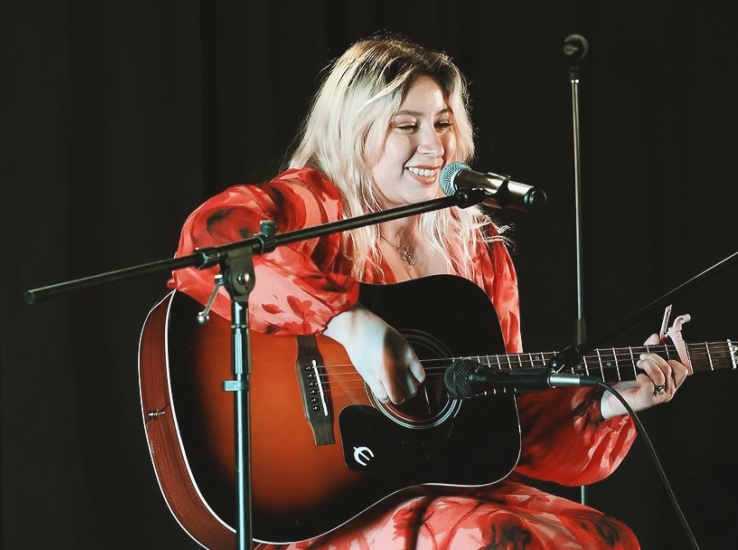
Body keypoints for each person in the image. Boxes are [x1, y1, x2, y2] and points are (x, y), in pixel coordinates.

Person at [169, 33, 691, 550]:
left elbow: (501, 413)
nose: (434, 147)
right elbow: (212, 235)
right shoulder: (316, 205)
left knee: (606, 539)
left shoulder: (478, 247)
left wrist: (611, 403)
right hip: (343, 501)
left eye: (442, 124)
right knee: (494, 542)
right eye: (407, 126)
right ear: (356, 132)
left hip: (448, 491)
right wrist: (350, 323)